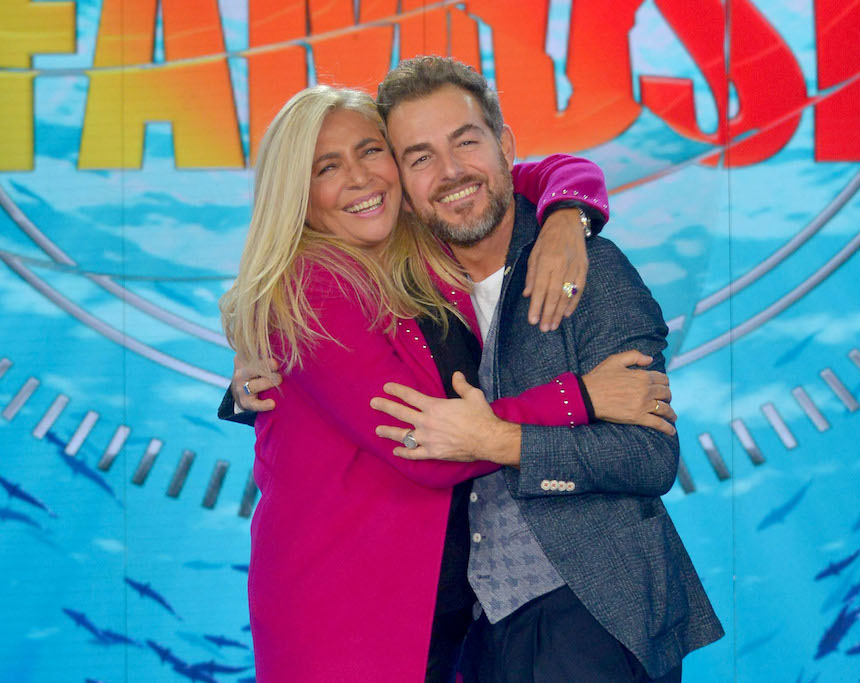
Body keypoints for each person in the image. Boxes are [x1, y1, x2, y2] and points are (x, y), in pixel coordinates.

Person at [217, 85, 677, 683]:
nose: (359, 178)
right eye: (326, 167)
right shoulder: (312, 287)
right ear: (295, 195)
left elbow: (525, 175)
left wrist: (569, 214)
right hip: (349, 616)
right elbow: (426, 445)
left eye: (371, 151)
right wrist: (580, 397)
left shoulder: (420, 252)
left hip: (472, 613)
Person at [365, 56, 725, 683]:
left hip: (594, 613)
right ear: (400, 184)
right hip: (471, 635)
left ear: (504, 146)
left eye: (466, 142)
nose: (450, 172)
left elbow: (650, 457)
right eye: (420, 157)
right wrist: (258, 370)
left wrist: (501, 441)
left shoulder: (591, 267)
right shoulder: (403, 295)